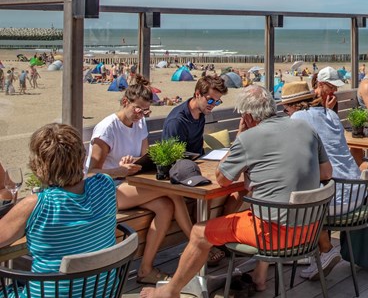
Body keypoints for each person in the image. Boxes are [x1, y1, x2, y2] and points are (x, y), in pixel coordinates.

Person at [139, 85, 332, 297]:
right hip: (311, 230)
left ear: (247, 116)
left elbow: (222, 179)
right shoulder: (305, 128)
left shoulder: (249, 138)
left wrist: (240, 135)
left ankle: (170, 291)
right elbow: (326, 172)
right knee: (259, 207)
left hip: (273, 235)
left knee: (198, 232)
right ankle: (257, 277)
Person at [86, 76, 202, 284]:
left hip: (129, 182)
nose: (141, 115)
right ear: (124, 103)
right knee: (173, 191)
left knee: (166, 206)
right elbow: (91, 172)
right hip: (105, 189)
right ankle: (196, 241)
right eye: (138, 110)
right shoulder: (107, 128)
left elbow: (144, 157)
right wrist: (120, 169)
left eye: (146, 111)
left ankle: (145, 268)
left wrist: (134, 164)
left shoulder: (139, 124)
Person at [0, 124, 117, 294]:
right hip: (103, 291)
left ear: (38, 166)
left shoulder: (37, 204)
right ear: (83, 158)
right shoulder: (105, 184)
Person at [289, 69, 360, 280]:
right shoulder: (332, 115)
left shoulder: (299, 117)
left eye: (335, 87)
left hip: (337, 197)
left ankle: (324, 248)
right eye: (331, 87)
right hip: (357, 192)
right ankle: (316, 253)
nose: (334, 91)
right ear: (318, 86)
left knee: (296, 196)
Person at [162, 75, 228, 155]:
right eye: (210, 100)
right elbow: (171, 157)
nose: (213, 105)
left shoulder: (201, 113)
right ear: (197, 94)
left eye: (217, 102)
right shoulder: (176, 122)